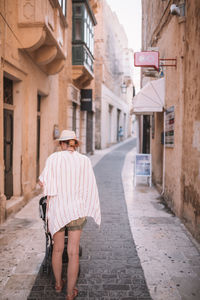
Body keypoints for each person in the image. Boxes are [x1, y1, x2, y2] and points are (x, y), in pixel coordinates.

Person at [39, 130, 101, 300]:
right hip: (76, 211)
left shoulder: (53, 159)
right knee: (73, 252)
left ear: (62, 144)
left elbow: (42, 182)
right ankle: (69, 293)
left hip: (58, 210)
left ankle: (58, 284)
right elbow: (90, 185)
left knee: (57, 249)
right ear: (75, 144)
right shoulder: (84, 161)